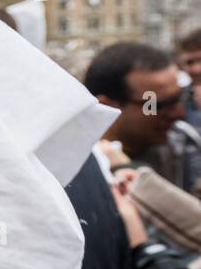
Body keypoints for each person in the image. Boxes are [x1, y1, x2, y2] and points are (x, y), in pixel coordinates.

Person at [85, 42, 201, 192]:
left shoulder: (186, 144)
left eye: (179, 98)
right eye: (157, 106)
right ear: (108, 106)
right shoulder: (74, 168)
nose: (179, 113)